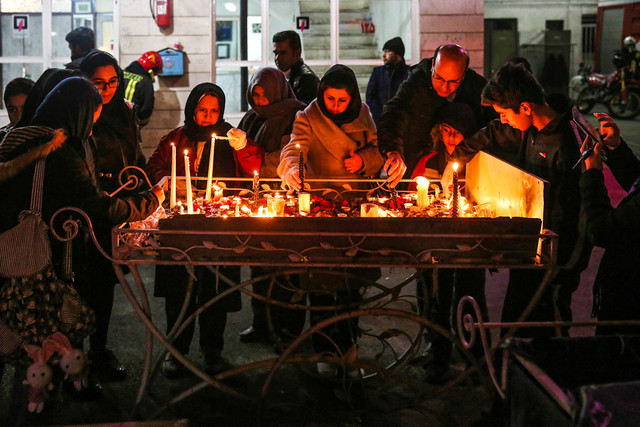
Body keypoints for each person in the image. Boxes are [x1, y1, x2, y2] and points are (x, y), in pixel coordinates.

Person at [0, 77, 163, 407]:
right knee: (39, 354)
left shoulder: (17, 139)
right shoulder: (58, 152)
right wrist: (150, 200)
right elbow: (97, 208)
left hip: (10, 257)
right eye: (92, 116)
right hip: (41, 262)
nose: (93, 126)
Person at [453, 62, 592, 338]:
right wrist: (457, 156)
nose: (503, 120)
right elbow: (494, 130)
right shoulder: (528, 129)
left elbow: (578, 214)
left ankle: (549, 379)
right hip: (530, 248)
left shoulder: (567, 142)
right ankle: (515, 376)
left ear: (526, 107)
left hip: (556, 257)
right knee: (515, 326)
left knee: (547, 327)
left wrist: (563, 267)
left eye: (505, 114)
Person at [146, 83, 261, 378]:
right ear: (192, 109)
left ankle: (213, 352)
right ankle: (177, 352)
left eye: (214, 111)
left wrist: (244, 147)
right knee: (179, 293)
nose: (208, 116)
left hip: (218, 224)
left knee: (215, 291)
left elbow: (254, 167)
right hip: (181, 223)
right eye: (202, 110)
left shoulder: (229, 138)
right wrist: (166, 181)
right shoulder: (177, 137)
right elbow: (155, 165)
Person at [279, 65, 384, 377]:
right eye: (330, 98)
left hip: (356, 207)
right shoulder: (308, 117)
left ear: (352, 98)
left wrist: (363, 159)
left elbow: (378, 150)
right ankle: (325, 352)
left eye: (342, 100)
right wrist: (292, 171)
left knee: (353, 285)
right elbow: (293, 149)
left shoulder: (364, 114)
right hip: (322, 209)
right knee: (323, 283)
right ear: (321, 93)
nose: (335, 106)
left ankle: (349, 351)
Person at [77, 50, 148, 381]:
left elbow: (135, 156)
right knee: (82, 286)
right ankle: (74, 357)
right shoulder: (81, 117)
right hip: (87, 211)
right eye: (98, 83)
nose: (106, 89)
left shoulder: (125, 112)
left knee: (106, 284)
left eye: (112, 82)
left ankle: (98, 349)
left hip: (119, 209)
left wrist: (146, 188)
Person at [409, 103, 487, 383]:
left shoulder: (480, 162)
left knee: (469, 296)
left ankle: (473, 359)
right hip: (435, 240)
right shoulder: (429, 161)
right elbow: (415, 198)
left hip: (468, 241)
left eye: (457, 133)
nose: (451, 138)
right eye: (445, 131)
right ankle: (437, 355)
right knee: (435, 297)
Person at [236, 67, 307, 346]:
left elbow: (289, 155)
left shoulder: (295, 115)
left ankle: (288, 331)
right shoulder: (252, 117)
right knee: (260, 266)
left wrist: (257, 157)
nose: (261, 99)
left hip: (285, 198)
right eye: (256, 93)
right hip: (257, 200)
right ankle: (262, 324)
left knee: (288, 268)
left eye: (266, 93)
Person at [378, 44, 494, 186]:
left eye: (453, 82)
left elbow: (492, 128)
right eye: (439, 78)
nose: (444, 87)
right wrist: (393, 149)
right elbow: (394, 112)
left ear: (463, 75)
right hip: (413, 159)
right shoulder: (417, 81)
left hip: (465, 166)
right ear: (433, 66)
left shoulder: (476, 88)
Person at [579, 113, 640, 335]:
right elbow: (637, 180)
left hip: (630, 300)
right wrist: (616, 148)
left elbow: (601, 230)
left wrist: (593, 173)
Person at [366, 37, 410, 124]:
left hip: (403, 125)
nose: (383, 54)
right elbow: (370, 97)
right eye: (383, 51)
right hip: (382, 123)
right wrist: (380, 116)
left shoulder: (409, 73)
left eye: (387, 51)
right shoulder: (378, 72)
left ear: (397, 54)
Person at [273, 30, 320, 105]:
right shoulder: (284, 75)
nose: (277, 58)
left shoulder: (307, 81)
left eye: (283, 53)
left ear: (297, 53)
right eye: (275, 53)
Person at [123, 51, 163, 127]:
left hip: (111, 121)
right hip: (130, 124)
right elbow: (147, 108)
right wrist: (140, 123)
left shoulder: (121, 73)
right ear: (151, 70)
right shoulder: (146, 82)